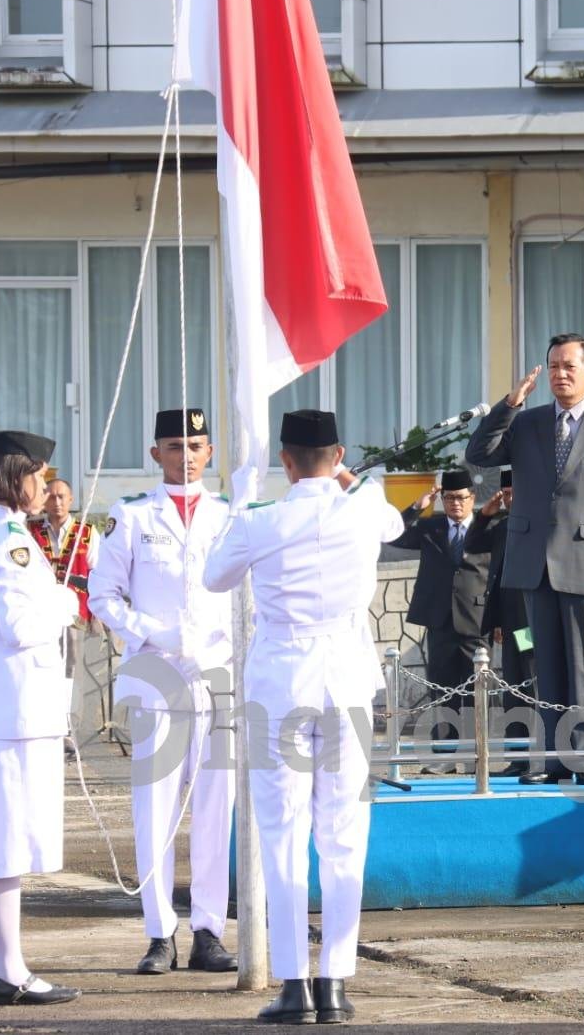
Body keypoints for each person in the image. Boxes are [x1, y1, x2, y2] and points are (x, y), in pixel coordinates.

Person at [203, 409, 405, 1025]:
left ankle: (293, 984)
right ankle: (336, 983)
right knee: (344, 835)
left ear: (284, 461)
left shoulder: (262, 519)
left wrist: (241, 508)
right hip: (344, 678)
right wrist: (348, 480)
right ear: (337, 454)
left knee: (282, 834)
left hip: (281, 680)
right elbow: (395, 523)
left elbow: (214, 577)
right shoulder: (365, 507)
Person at [87, 409, 238, 977]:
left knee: (214, 806)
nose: (187, 455)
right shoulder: (132, 517)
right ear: (156, 453)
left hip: (215, 674)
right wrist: (150, 632)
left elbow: (246, 594)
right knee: (155, 807)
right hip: (156, 672)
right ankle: (159, 934)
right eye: (175, 445)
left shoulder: (229, 516)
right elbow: (103, 595)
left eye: (196, 444)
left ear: (211, 450)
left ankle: (207, 932)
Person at [465, 333, 584, 786]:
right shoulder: (527, 423)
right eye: (553, 367)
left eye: (569, 367)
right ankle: (556, 762)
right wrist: (510, 403)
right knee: (546, 668)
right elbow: (479, 455)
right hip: (533, 562)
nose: (560, 375)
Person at [0, 430, 82, 1007]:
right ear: (17, 478)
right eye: (38, 473)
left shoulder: (2, 534)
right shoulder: (13, 541)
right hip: (17, 712)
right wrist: (64, 603)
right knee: (5, 844)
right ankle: (9, 971)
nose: (43, 484)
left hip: (7, 709)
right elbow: (21, 625)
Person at [390, 469, 490, 773]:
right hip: (440, 619)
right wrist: (418, 505)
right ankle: (443, 757)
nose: (455, 504)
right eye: (449, 498)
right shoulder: (431, 527)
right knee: (442, 692)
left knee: (477, 693)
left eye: (461, 498)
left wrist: (500, 620)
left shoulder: (488, 527)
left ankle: (477, 759)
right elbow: (395, 534)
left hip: (477, 619)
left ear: (472, 498)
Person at [465, 469, 535, 776]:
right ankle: (518, 757)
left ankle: (539, 756)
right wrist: (484, 514)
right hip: (510, 623)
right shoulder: (503, 526)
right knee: (514, 689)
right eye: (505, 494)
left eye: (513, 493)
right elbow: (473, 542)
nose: (509, 499)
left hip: (531, 625)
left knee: (533, 684)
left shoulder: (539, 524)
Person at [27, 476, 100, 627]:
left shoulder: (87, 532)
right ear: (44, 500)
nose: (57, 503)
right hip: (39, 614)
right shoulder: (31, 530)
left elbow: (97, 574)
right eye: (52, 497)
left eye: (61, 497)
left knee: (76, 650)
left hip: (77, 615)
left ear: (71, 499)